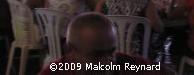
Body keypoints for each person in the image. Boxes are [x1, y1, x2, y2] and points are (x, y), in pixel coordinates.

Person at [38, 12, 174, 75]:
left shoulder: (127, 66)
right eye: (96, 55)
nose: (107, 62)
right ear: (70, 51)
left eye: (111, 52)